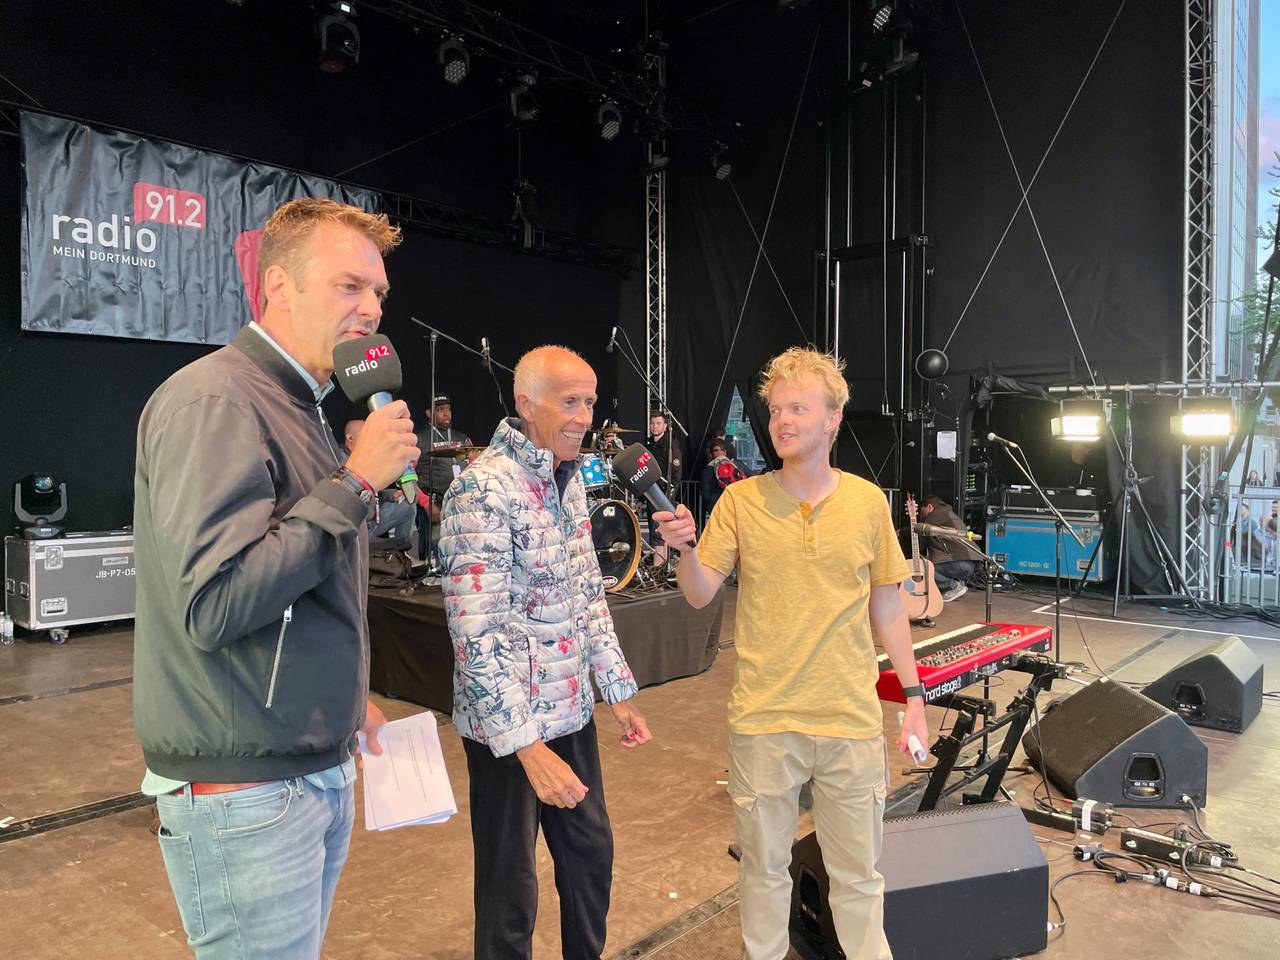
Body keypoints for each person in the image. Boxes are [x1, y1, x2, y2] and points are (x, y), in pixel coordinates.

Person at [132, 198, 419, 959]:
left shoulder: (303, 407)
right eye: (349, 285)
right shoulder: (215, 400)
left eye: (379, 292)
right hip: (249, 792)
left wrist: (342, 701)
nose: (371, 308)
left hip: (304, 769)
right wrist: (355, 484)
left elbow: (304, 589)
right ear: (280, 287)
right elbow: (217, 602)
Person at [653, 346, 927, 960]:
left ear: (833, 419)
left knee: (859, 881)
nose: (782, 420)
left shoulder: (867, 502)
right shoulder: (740, 502)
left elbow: (887, 607)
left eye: (798, 408)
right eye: (776, 409)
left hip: (850, 719)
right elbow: (699, 594)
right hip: (765, 720)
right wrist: (684, 549)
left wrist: (913, 698)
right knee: (763, 874)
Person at [438, 345, 653, 960]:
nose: (585, 416)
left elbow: (588, 595)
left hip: (569, 711)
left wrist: (617, 690)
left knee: (590, 855)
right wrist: (526, 747)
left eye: (590, 401)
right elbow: (476, 636)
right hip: (506, 730)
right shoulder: (481, 489)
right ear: (526, 404)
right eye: (570, 401)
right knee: (509, 887)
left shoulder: (570, 480)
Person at [415, 393, 472, 561]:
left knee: (464, 550)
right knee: (436, 550)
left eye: (448, 409)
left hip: (462, 502)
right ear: (429, 413)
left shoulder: (462, 438)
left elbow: (475, 466)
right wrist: (426, 503)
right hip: (435, 502)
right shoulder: (419, 440)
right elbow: (407, 475)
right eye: (440, 410)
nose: (446, 413)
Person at [344, 418, 416, 544]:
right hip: (356, 529)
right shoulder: (343, 462)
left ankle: (401, 550)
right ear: (350, 438)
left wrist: (391, 495)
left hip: (372, 523)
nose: (372, 439)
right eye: (366, 434)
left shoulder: (366, 459)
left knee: (408, 505)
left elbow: (372, 494)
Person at [918, 494, 976, 602]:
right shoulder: (947, 513)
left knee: (923, 566)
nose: (921, 516)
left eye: (922, 512)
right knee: (928, 561)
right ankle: (957, 584)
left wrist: (902, 533)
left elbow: (921, 533)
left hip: (960, 562)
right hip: (967, 562)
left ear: (929, 507)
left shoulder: (936, 514)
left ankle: (953, 586)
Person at [646, 410, 683, 564]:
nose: (654, 426)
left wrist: (669, 495)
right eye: (652, 423)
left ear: (665, 425)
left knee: (659, 534)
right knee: (658, 533)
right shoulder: (649, 444)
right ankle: (661, 567)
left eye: (658, 423)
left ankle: (658, 567)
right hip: (651, 492)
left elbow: (676, 473)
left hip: (662, 494)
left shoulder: (670, 444)